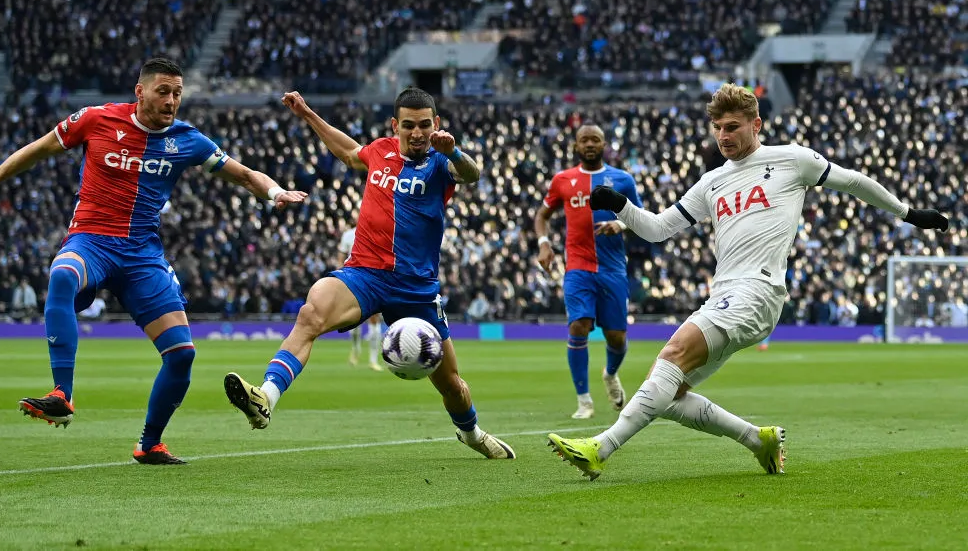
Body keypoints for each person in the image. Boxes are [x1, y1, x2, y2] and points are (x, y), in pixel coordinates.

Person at [547, 83, 949, 479]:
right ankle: (758, 440)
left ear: (756, 125)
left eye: (733, 127)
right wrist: (621, 205)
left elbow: (855, 181)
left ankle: (600, 448)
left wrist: (908, 214)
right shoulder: (712, 182)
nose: (724, 136)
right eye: (718, 128)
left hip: (759, 290)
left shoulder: (793, 159)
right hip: (724, 294)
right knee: (666, 391)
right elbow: (657, 229)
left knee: (673, 354)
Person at [0, 58, 307, 465]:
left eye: (177, 93)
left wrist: (275, 193)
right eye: (163, 91)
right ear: (140, 91)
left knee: (182, 354)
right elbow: (37, 150)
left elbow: (247, 175)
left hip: (142, 255)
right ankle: (62, 394)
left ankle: (150, 444)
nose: (171, 101)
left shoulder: (187, 140)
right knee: (63, 274)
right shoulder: (96, 120)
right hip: (92, 241)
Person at [223, 87, 516, 459]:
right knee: (311, 313)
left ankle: (471, 434)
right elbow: (348, 151)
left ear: (436, 124)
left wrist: (453, 151)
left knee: (451, 386)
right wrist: (308, 113)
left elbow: (471, 174)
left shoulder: (441, 163)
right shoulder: (380, 151)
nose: (417, 133)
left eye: (424, 125)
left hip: (416, 289)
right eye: (408, 125)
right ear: (395, 126)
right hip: (366, 273)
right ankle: (266, 396)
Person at [534, 124, 642, 420]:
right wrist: (544, 243)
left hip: (613, 268)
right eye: (584, 140)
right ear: (576, 145)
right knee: (579, 326)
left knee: (616, 337)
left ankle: (610, 374)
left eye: (595, 139)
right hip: (578, 266)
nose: (590, 144)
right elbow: (542, 215)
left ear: (604, 145)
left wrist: (620, 224)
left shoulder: (622, 180)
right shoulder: (562, 180)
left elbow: (642, 218)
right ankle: (584, 401)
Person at [337, 213, 384, 371]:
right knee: (353, 321)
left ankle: (373, 359)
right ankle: (356, 349)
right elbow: (341, 257)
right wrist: (340, 277)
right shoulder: (348, 235)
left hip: (372, 279)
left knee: (374, 318)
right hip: (352, 279)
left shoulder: (376, 233)